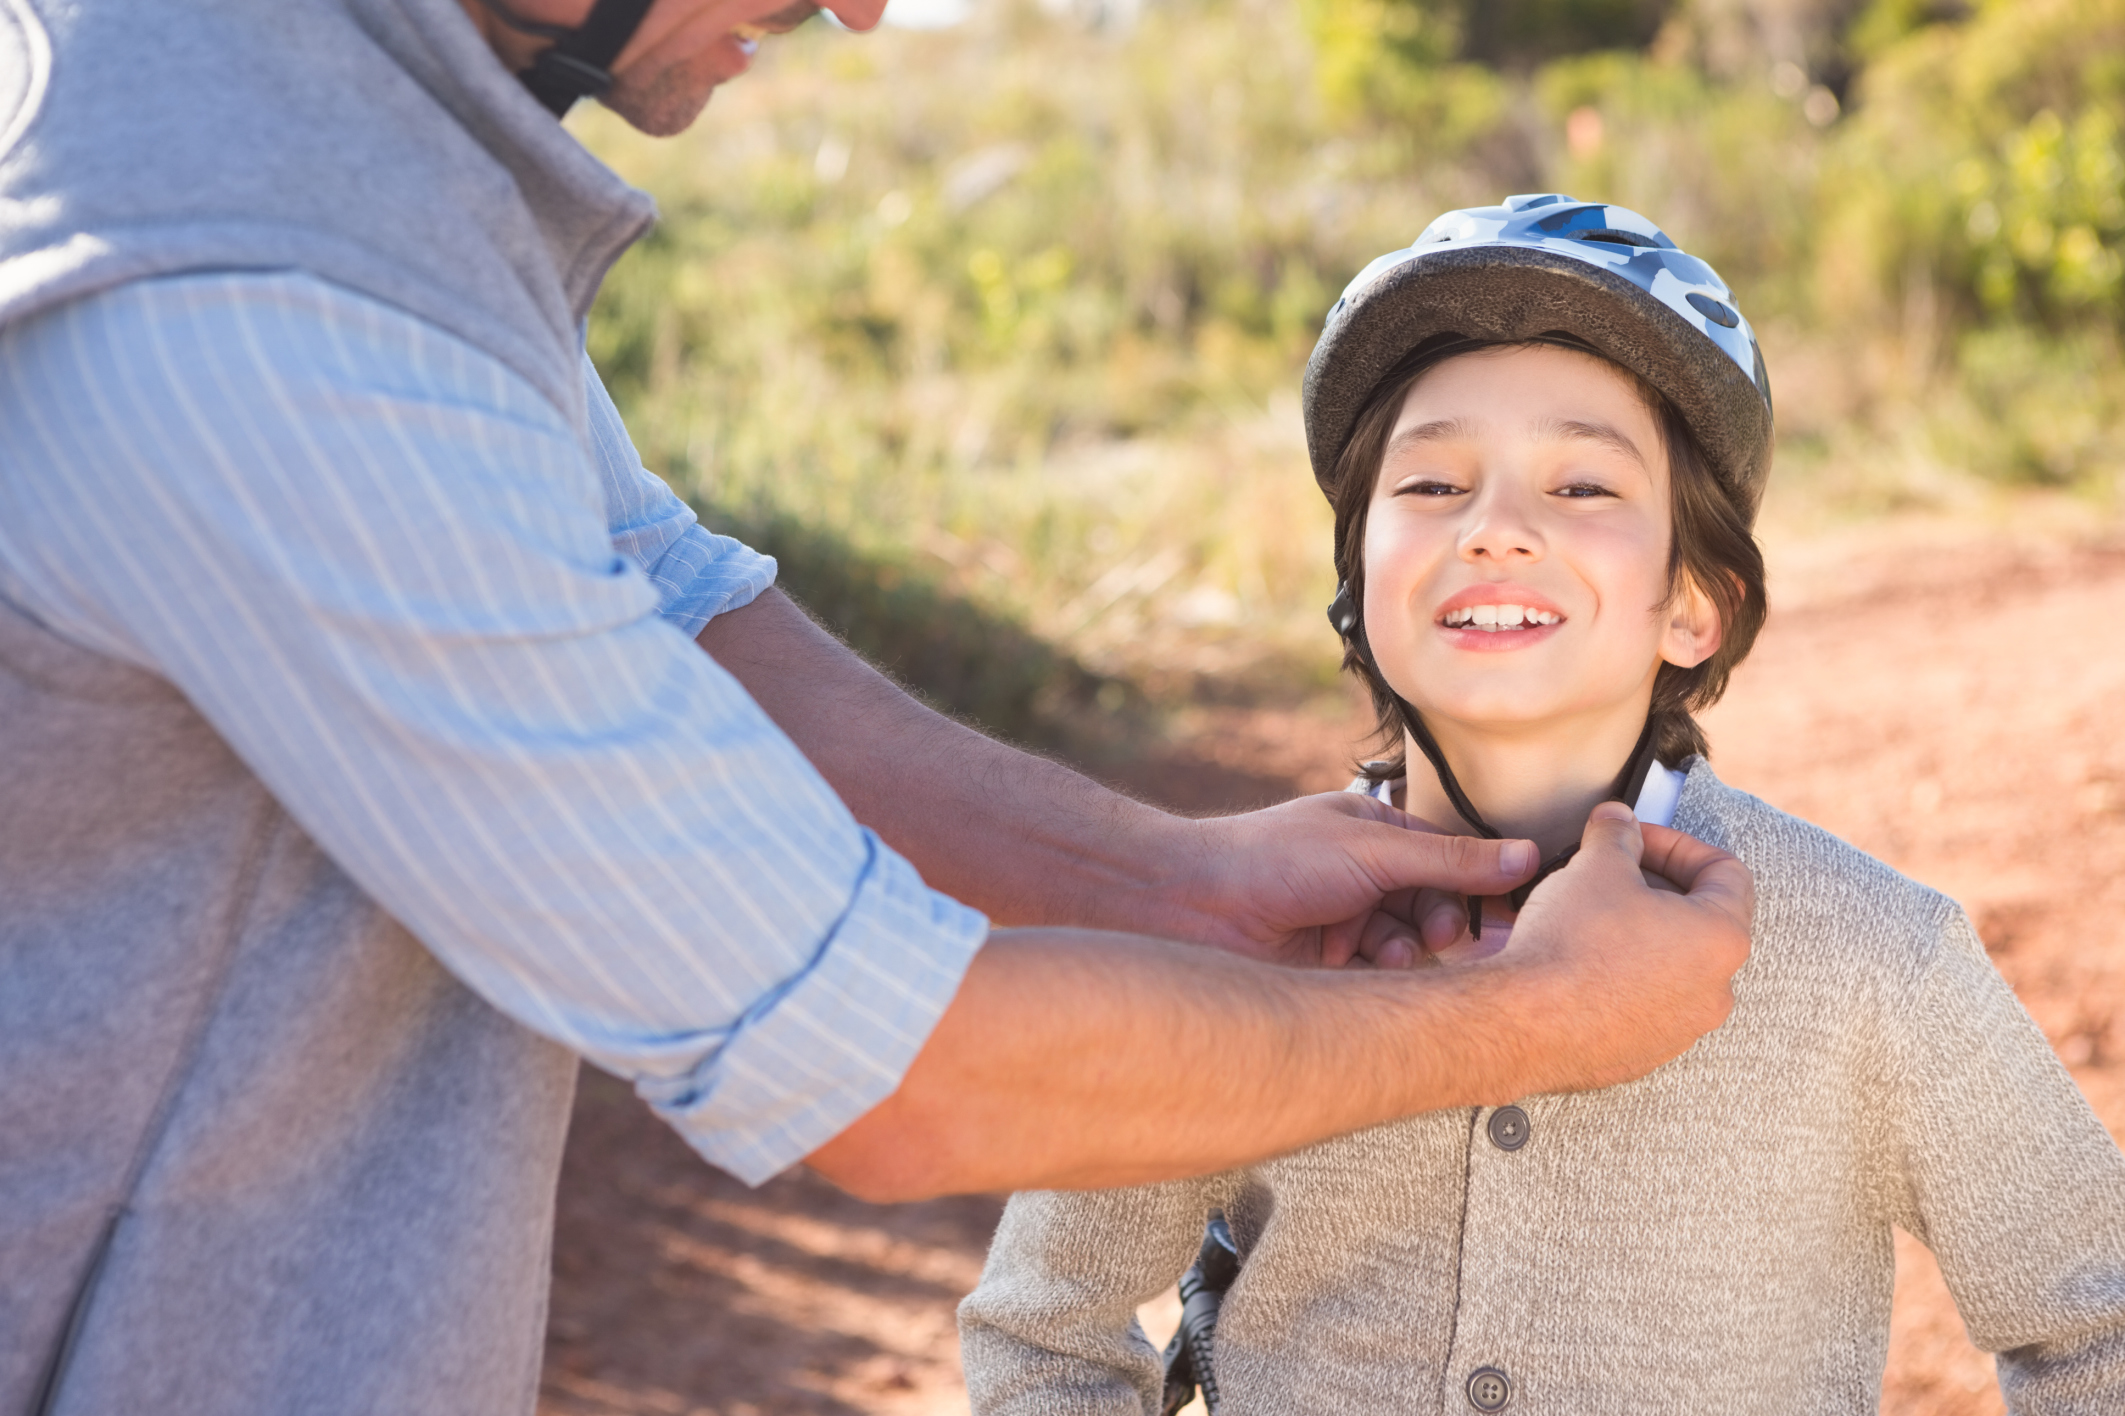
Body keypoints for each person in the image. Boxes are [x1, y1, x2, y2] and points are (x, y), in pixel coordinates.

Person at [0, 4, 1752, 1413]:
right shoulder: (248, 304)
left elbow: (672, 603)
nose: (859, 8)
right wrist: (1533, 1025)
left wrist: (1171, 881)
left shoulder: (318, 144)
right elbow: (899, 1076)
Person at [958, 196, 2125, 1414]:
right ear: (1356, 583)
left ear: (1694, 602)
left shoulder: (1869, 957)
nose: (1496, 529)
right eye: (1429, 481)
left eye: (1580, 486)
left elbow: (2096, 1327)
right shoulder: (1242, 936)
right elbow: (1045, 1327)